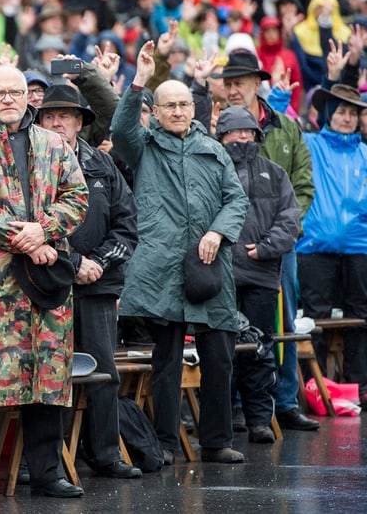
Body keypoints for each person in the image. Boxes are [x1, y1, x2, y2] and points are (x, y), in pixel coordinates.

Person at [0, 65, 89, 502]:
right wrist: (26, 239)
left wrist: (43, 231)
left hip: (46, 279)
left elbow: (77, 197)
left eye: (16, 91)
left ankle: (47, 473)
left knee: (47, 378)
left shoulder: (55, 145)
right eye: (0, 92)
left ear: (30, 98)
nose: (9, 99)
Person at [111, 41, 248, 465]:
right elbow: (119, 131)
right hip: (162, 270)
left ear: (195, 107)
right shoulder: (144, 146)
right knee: (166, 363)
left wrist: (218, 232)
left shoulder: (214, 149)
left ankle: (217, 441)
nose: (177, 111)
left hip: (211, 267)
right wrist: (139, 81)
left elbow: (237, 200)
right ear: (156, 109)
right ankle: (166, 443)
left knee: (219, 358)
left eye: (184, 104)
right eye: (168, 105)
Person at [37, 84, 141, 478]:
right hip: (46, 284)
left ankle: (106, 454)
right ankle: (49, 465)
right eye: (49, 115)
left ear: (81, 122)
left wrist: (96, 262)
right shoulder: (29, 165)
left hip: (98, 285)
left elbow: (127, 225)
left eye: (66, 115)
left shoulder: (103, 164)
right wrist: (73, 262)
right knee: (51, 373)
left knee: (102, 371)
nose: (57, 122)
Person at [213, 50, 319, 432]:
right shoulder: (212, 163)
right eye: (228, 82)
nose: (233, 88)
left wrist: (276, 242)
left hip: (270, 258)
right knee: (224, 347)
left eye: (239, 81)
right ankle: (233, 415)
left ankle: (279, 406)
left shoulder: (285, 130)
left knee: (271, 336)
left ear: (257, 83)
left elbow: (298, 195)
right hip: (223, 270)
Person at [215, 106, 300, 444]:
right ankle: (227, 419)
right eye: (235, 132)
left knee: (261, 348)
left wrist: (264, 248)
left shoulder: (275, 173)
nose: (243, 137)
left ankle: (259, 420)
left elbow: (290, 218)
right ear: (221, 137)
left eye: (248, 131)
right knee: (223, 352)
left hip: (262, 275)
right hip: (221, 276)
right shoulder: (212, 170)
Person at [295, 81, 367, 402]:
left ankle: (360, 387)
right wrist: (283, 97)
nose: (348, 117)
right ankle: (316, 388)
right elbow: (279, 131)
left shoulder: (365, 151)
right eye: (341, 111)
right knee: (317, 319)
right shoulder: (310, 144)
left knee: (361, 317)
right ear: (327, 115)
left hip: (360, 246)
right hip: (315, 246)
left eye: (353, 112)